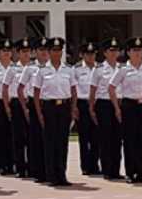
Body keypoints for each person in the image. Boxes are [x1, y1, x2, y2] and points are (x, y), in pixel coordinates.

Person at [109, 37, 142, 183]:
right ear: (128, 52)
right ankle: (130, 172)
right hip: (129, 106)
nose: (137, 53)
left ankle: (141, 172)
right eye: (134, 50)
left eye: (139, 50)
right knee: (129, 140)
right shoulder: (123, 69)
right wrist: (117, 108)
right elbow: (111, 87)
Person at [34, 37, 78, 187]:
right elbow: (36, 93)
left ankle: (62, 174)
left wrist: (73, 109)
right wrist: (39, 113)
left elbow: (73, 90)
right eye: (54, 50)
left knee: (62, 142)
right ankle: (51, 175)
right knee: (50, 142)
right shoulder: (42, 70)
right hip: (49, 107)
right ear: (49, 52)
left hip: (64, 107)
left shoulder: (68, 70)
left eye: (59, 50)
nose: (57, 53)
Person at [90, 38, 124, 180]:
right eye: (111, 50)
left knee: (117, 138)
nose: (114, 53)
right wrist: (91, 108)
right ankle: (107, 170)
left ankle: (116, 169)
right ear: (105, 53)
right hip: (104, 104)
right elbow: (92, 90)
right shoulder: (98, 69)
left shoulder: (122, 68)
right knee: (105, 138)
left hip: (119, 104)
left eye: (116, 50)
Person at [22, 39, 50, 183]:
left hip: (50, 104)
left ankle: (50, 170)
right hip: (34, 103)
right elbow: (21, 88)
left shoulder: (55, 67)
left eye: (46, 49)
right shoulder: (30, 68)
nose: (44, 52)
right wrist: (25, 107)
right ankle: (37, 171)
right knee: (36, 139)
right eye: (41, 49)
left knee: (51, 139)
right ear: (35, 52)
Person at [2, 38, 30, 178]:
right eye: (23, 51)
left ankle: (32, 166)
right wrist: (7, 107)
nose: (26, 54)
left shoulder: (35, 68)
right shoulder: (13, 69)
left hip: (30, 102)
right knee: (18, 137)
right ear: (18, 53)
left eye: (28, 51)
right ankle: (20, 167)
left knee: (32, 137)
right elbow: (5, 87)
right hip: (17, 104)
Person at [0, 38, 16, 175]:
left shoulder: (17, 68)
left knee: (14, 135)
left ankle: (14, 163)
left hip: (14, 103)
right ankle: (2, 165)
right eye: (3, 51)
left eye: (8, 51)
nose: (6, 53)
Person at [75, 41, 101, 175]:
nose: (91, 57)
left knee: (97, 137)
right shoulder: (77, 69)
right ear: (82, 55)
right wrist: (74, 108)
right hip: (82, 104)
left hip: (97, 105)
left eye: (93, 54)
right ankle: (85, 166)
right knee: (84, 137)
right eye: (88, 54)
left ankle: (95, 165)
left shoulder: (100, 68)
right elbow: (72, 89)